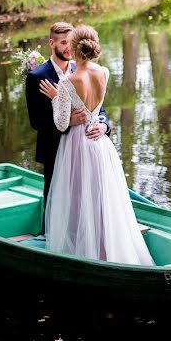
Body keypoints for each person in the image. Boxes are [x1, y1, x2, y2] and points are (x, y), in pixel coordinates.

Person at [38, 25, 155, 266]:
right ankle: (106, 249)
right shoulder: (104, 72)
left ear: (73, 47)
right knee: (102, 198)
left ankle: (83, 254)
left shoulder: (68, 82)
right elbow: (95, 108)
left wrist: (55, 98)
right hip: (99, 142)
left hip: (77, 144)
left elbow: (61, 124)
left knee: (79, 198)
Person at [25, 22, 110, 232]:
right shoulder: (37, 76)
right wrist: (69, 120)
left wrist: (104, 126)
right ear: (52, 43)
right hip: (54, 148)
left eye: (70, 42)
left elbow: (100, 110)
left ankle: (84, 236)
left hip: (87, 144)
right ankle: (50, 236)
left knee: (88, 196)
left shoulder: (82, 68)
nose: (68, 48)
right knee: (56, 198)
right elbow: (36, 121)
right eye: (63, 43)